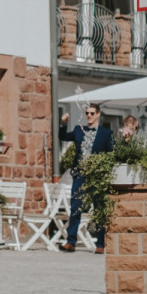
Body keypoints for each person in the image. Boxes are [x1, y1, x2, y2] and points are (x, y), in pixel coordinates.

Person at [59, 104, 114, 253]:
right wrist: (63, 123)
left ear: (98, 114)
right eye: (87, 113)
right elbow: (63, 137)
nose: (89, 115)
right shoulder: (79, 130)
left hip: (97, 176)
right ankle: (71, 242)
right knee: (75, 207)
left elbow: (111, 154)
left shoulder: (106, 133)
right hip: (80, 174)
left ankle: (101, 244)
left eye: (91, 113)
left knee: (99, 209)